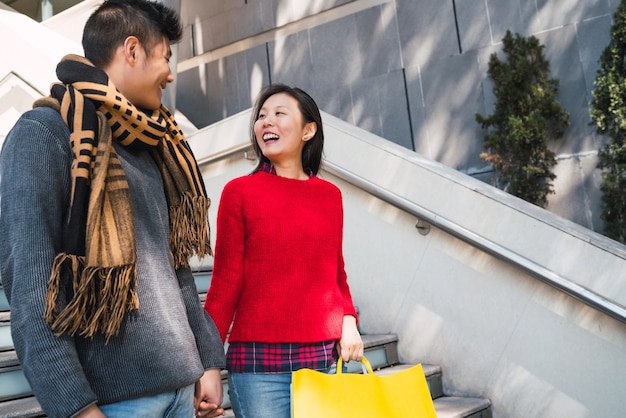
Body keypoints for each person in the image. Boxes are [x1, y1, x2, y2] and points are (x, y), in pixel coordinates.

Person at [0, 1, 226, 417]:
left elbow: (174, 269)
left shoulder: (151, 143)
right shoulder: (42, 136)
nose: (171, 74)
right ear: (133, 50)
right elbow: (32, 292)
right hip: (114, 405)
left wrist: (207, 359)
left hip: (183, 390)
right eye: (166, 57)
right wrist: (77, 408)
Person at [203, 83, 364, 418]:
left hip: (323, 359)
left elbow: (334, 273)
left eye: (279, 114)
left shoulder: (329, 195)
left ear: (308, 130)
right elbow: (224, 284)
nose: (266, 123)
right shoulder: (239, 193)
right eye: (261, 117)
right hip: (258, 365)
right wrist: (207, 364)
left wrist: (349, 319)